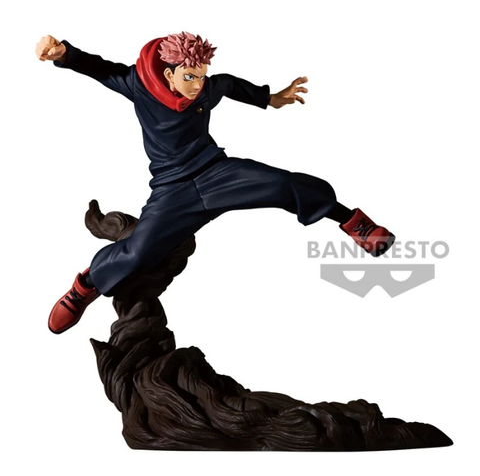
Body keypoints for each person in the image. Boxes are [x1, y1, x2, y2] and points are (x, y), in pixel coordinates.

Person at [36, 32, 395, 334]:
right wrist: (64, 54)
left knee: (284, 184)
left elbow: (230, 84)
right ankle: (84, 287)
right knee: (137, 254)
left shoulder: (207, 88)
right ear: (168, 73)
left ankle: (353, 222)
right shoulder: (138, 85)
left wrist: (271, 98)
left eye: (201, 76)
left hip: (217, 174)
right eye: (190, 77)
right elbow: (99, 68)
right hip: (172, 189)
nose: (198, 85)